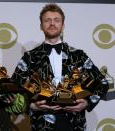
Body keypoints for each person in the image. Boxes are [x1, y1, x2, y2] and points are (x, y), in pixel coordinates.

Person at [11, 3, 108, 131]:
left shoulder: (78, 55)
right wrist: (32, 106)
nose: (52, 24)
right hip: (41, 124)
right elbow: (14, 88)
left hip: (74, 124)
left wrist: (87, 103)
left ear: (63, 26)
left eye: (57, 20)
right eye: (47, 20)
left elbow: (102, 83)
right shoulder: (29, 57)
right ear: (41, 26)